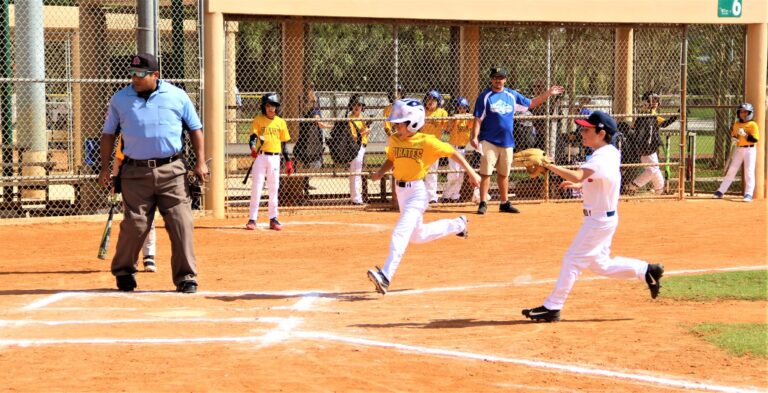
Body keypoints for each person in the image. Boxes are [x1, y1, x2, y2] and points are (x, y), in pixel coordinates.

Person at [521, 111, 665, 322]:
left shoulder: (602, 155)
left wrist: (548, 165)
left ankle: (553, 307)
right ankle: (646, 270)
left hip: (598, 221)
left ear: (601, 132)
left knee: (571, 260)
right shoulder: (608, 152)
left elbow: (581, 173)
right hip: (602, 219)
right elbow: (599, 177)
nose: (582, 132)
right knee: (601, 265)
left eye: (586, 129)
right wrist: (580, 184)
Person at [99, 53, 208, 293]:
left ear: (155, 75)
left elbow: (195, 129)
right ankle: (125, 271)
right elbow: (108, 134)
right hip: (135, 173)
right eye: (132, 74)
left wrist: (200, 162)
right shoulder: (120, 99)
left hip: (172, 171)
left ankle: (186, 277)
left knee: (181, 223)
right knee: (135, 225)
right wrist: (105, 168)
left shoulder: (177, 96)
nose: (134, 79)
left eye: (140, 74)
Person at [366, 99, 481, 295]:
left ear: (413, 123)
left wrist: (471, 172)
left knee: (400, 233)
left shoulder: (426, 141)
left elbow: (452, 152)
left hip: (417, 193)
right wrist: (380, 172)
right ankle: (459, 225)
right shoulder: (395, 139)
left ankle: (386, 275)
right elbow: (392, 159)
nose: (396, 126)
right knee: (418, 236)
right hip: (402, 193)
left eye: (400, 123)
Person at [471, 67, 564, 214]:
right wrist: (474, 137)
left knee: (504, 173)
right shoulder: (485, 96)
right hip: (488, 139)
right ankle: (483, 202)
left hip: (507, 141)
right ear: (491, 79)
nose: (498, 80)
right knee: (486, 172)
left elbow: (531, 103)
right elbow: (478, 119)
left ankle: (504, 203)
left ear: (505, 79)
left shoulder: (511, 95)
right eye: (495, 77)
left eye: (501, 77)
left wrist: (548, 94)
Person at [246, 93, 294, 230]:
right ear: (264, 107)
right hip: (260, 157)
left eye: (273, 105)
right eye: (268, 106)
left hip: (275, 158)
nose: (271, 108)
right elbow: (253, 138)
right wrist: (253, 148)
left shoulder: (281, 122)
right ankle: (252, 219)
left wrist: (288, 162)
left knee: (274, 188)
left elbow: (284, 145)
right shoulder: (258, 120)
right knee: (257, 187)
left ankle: (273, 219)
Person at [111, 135, 158, 273]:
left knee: (150, 220)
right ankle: (131, 258)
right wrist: (115, 181)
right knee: (133, 221)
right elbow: (118, 159)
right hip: (131, 181)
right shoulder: (127, 134)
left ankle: (149, 256)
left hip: (151, 179)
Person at [625, 91, 678, 195]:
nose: (655, 102)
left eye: (656, 100)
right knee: (653, 169)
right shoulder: (645, 114)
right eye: (652, 100)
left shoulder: (653, 114)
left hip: (650, 147)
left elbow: (664, 123)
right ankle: (633, 185)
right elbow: (637, 126)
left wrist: (676, 115)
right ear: (646, 102)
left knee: (654, 168)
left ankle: (660, 189)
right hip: (646, 147)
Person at [713, 102, 760, 202]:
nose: (743, 114)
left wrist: (745, 135)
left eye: (746, 112)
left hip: (750, 149)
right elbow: (734, 136)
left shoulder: (753, 124)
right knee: (731, 170)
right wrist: (735, 138)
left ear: (750, 113)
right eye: (741, 112)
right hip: (739, 149)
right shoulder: (736, 124)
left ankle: (748, 194)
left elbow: (755, 139)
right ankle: (721, 191)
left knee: (749, 172)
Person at [295, 86, 332, 201]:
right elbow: (318, 121)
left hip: (309, 139)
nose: (314, 93)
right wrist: (330, 125)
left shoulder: (307, 107)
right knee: (317, 162)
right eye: (311, 90)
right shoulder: (313, 108)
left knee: (309, 162)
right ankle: (304, 182)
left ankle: (305, 182)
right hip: (311, 141)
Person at [441, 96, 474, 202]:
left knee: (460, 174)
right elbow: (448, 128)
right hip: (453, 148)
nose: (462, 110)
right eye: (459, 108)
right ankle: (446, 195)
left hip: (463, 149)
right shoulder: (454, 118)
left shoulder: (468, 119)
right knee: (453, 173)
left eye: (464, 108)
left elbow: (474, 119)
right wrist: (455, 118)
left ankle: (455, 195)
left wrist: (466, 115)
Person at [421, 90, 449, 203]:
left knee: (432, 171)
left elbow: (447, 128)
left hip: (434, 145)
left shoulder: (442, 112)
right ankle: (421, 196)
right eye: (429, 99)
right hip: (421, 144)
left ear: (438, 102)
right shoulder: (421, 111)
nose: (431, 101)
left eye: (433, 100)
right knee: (419, 171)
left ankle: (432, 197)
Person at [347, 94, 370, 205]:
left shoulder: (361, 118)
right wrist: (364, 131)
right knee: (355, 173)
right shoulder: (350, 119)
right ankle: (356, 198)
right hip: (355, 147)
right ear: (351, 106)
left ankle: (355, 197)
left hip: (362, 147)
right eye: (355, 104)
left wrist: (368, 127)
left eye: (359, 105)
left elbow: (364, 131)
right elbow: (353, 136)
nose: (357, 107)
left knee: (357, 172)